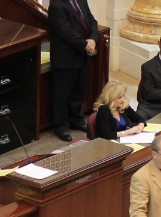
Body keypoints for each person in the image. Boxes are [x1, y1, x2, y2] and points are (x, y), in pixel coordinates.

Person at [48, 0, 99, 142]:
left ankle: (76, 120)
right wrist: (86, 44)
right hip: (65, 58)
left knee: (78, 91)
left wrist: (93, 39)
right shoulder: (56, 5)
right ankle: (61, 126)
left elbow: (91, 20)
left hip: (81, 56)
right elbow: (65, 31)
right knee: (62, 95)